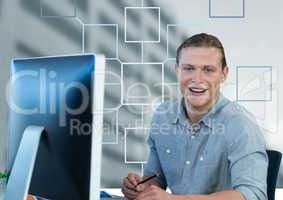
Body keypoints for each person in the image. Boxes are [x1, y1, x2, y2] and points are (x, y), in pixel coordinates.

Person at [122, 33, 268, 200]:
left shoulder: (241, 124)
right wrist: (141, 187)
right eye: (189, 68)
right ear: (177, 71)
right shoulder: (163, 116)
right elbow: (156, 179)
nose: (197, 79)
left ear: (224, 74)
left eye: (208, 70)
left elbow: (253, 195)